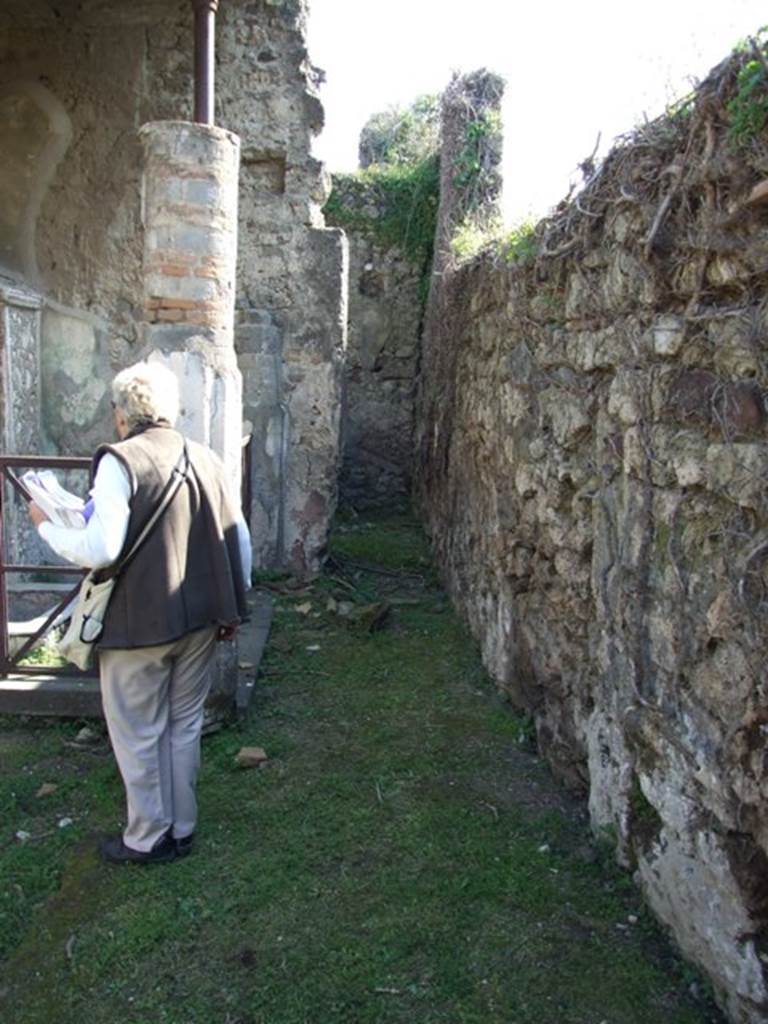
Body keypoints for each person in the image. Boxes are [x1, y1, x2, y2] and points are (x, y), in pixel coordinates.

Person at [29, 360, 252, 865]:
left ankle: (148, 836)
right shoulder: (207, 457)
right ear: (171, 410)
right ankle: (184, 826)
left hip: (139, 625)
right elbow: (239, 540)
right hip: (200, 617)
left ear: (121, 415)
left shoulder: (120, 462)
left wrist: (46, 526)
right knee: (184, 724)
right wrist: (236, 605)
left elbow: (104, 546)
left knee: (138, 732)